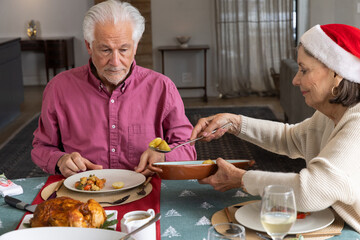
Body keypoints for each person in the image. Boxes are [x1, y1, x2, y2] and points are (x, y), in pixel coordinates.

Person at [190, 24, 360, 233]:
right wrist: (234, 123)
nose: (295, 80)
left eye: (304, 70)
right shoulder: (331, 114)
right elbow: (290, 138)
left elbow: (310, 191)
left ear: (337, 73)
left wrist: (242, 179)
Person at [31, 0, 196, 178]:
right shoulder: (59, 88)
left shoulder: (162, 87)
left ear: (136, 46)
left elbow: (187, 147)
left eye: (124, 49)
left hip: (147, 192)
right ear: (89, 46)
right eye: (106, 50)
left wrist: (165, 156)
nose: (115, 62)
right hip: (83, 194)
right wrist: (60, 160)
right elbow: (42, 147)